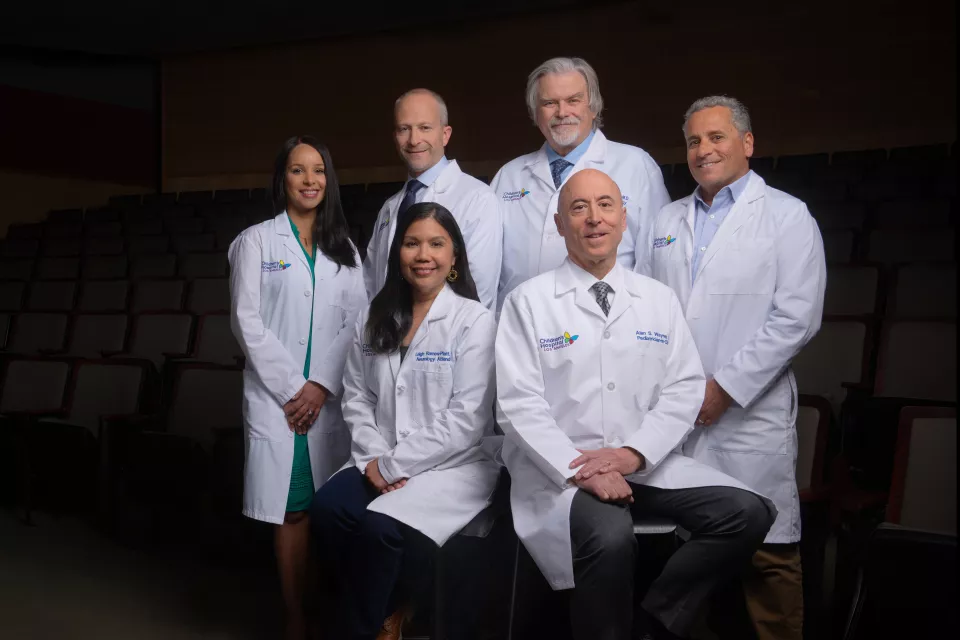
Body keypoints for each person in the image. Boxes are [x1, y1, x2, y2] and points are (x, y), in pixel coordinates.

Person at [496, 168, 775, 640]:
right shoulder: (528, 302)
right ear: (560, 225)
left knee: (748, 513)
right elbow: (518, 406)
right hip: (564, 471)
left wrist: (633, 454)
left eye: (605, 205)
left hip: (643, 463)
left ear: (624, 219)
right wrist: (582, 468)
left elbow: (683, 389)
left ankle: (652, 622)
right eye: (578, 208)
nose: (594, 219)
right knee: (610, 537)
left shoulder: (658, 300)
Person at [647, 96, 826, 640]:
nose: (704, 150)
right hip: (678, 411)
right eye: (695, 141)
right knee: (692, 557)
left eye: (717, 137)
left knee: (768, 554)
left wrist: (725, 388)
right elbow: (650, 310)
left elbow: (797, 318)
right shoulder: (665, 219)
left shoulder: (788, 216)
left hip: (751, 416)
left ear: (747, 143)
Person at [311, 202, 501, 640]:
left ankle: (364, 629)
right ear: (398, 252)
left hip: (451, 466)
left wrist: (394, 467)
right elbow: (357, 395)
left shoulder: (474, 321)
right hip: (379, 456)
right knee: (328, 510)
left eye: (437, 244)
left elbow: (467, 419)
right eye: (412, 243)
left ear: (455, 257)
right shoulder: (374, 315)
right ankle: (397, 606)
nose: (423, 255)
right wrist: (377, 459)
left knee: (380, 528)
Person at [228, 135, 367, 640]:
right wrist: (293, 389)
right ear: (281, 179)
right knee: (290, 510)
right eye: (297, 170)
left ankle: (325, 607)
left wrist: (321, 386)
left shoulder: (347, 250)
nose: (309, 180)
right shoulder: (256, 241)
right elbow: (246, 322)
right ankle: (295, 617)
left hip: (327, 404)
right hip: (279, 403)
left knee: (327, 510)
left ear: (329, 181)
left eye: (319, 171)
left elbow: (357, 323)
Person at [491, 56, 670, 311]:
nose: (562, 112)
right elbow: (487, 268)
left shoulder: (636, 165)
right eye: (549, 103)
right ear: (535, 113)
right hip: (522, 323)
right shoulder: (509, 176)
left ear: (593, 107)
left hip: (611, 321)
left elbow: (656, 259)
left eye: (573, 100)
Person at [363, 88, 502, 309]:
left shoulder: (477, 198)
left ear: (445, 135)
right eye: (404, 129)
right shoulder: (390, 207)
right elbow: (370, 284)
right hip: (387, 338)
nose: (414, 140)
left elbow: (478, 290)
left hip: (450, 339)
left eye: (424, 128)